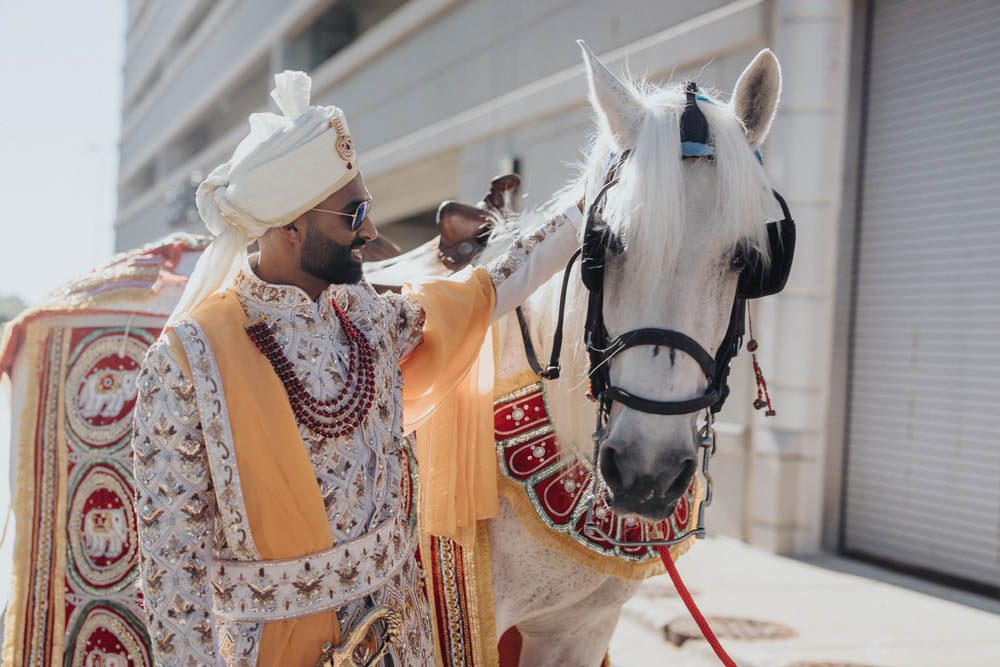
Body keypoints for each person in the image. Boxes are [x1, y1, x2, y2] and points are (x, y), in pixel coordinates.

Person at [131, 70, 581, 666]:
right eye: (354, 212)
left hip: (401, 638)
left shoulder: (368, 319)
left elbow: (483, 293)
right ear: (289, 225)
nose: (370, 230)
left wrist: (582, 212)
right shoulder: (189, 360)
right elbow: (172, 579)